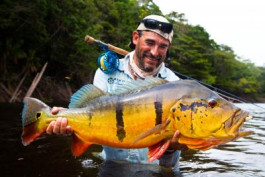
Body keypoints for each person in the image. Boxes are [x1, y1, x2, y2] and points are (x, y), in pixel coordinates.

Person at [46, 15, 187, 168]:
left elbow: (168, 165)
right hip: (112, 167)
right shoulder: (106, 73)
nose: (154, 52)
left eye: (162, 46)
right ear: (135, 38)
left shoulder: (175, 86)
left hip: (155, 171)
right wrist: (68, 123)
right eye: (150, 42)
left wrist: (171, 147)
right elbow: (89, 114)